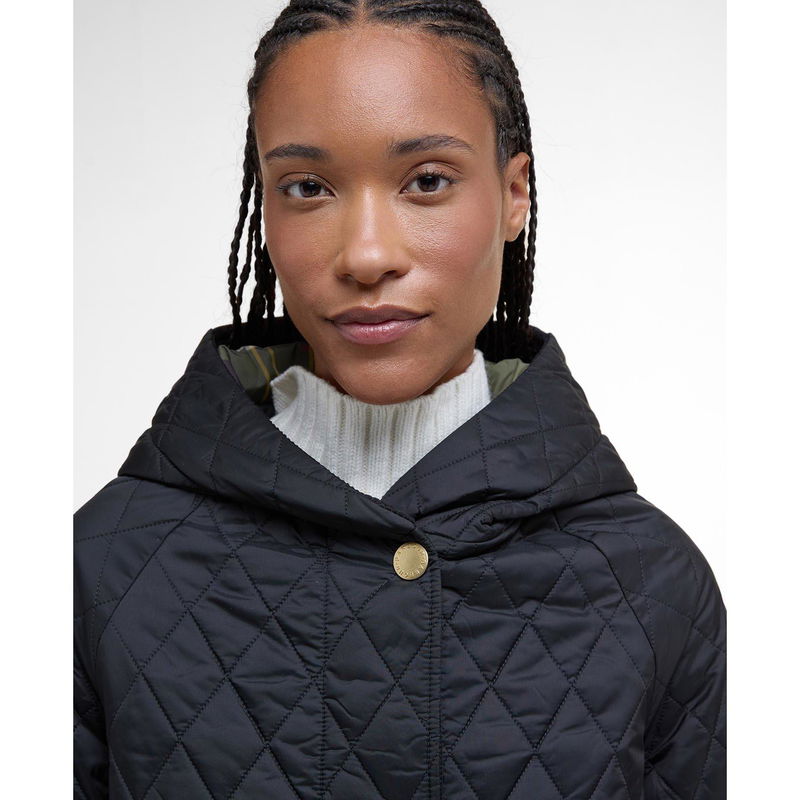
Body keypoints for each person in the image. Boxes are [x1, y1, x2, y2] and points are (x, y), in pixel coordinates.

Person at [74, 1, 726, 798]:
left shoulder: (655, 583)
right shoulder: (97, 568)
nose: (366, 254)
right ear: (265, 206)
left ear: (514, 194)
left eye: (427, 181)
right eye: (307, 187)